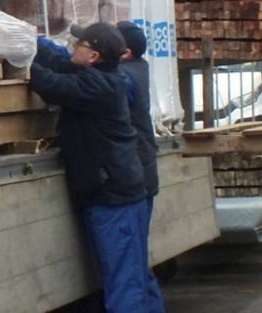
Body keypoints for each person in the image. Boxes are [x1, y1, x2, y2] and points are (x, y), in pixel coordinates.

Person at [29, 21, 149, 312]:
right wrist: (27, 42)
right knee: (131, 276)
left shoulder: (101, 85)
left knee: (124, 282)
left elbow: (50, 84)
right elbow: (59, 61)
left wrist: (21, 62)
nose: (73, 47)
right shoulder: (97, 73)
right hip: (115, 192)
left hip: (114, 197)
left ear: (94, 56)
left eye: (79, 44)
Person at [116, 20, 165, 313]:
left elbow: (94, 85)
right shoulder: (137, 67)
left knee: (131, 260)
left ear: (125, 52)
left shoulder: (125, 78)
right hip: (143, 173)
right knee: (135, 259)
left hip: (138, 177)